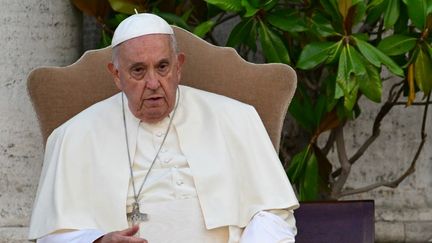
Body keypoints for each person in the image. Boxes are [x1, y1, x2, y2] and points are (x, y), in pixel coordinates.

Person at [29, 13, 299, 243]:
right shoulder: (74, 135)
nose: (153, 82)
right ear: (116, 75)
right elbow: (52, 234)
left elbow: (274, 215)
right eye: (138, 71)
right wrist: (97, 240)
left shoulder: (237, 118)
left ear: (178, 67)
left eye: (162, 67)